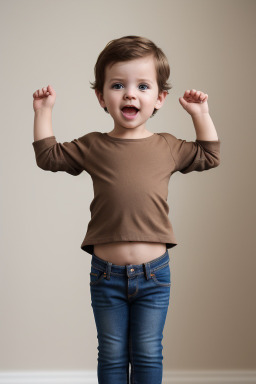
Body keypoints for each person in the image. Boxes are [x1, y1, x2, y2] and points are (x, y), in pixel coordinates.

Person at [32, 35, 221, 384]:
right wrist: (44, 112)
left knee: (149, 352)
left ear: (160, 98)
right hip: (106, 275)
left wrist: (201, 114)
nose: (130, 94)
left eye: (143, 86)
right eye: (118, 85)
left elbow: (209, 155)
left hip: (155, 276)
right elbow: (48, 157)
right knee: (113, 353)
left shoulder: (168, 146)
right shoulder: (93, 145)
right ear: (102, 97)